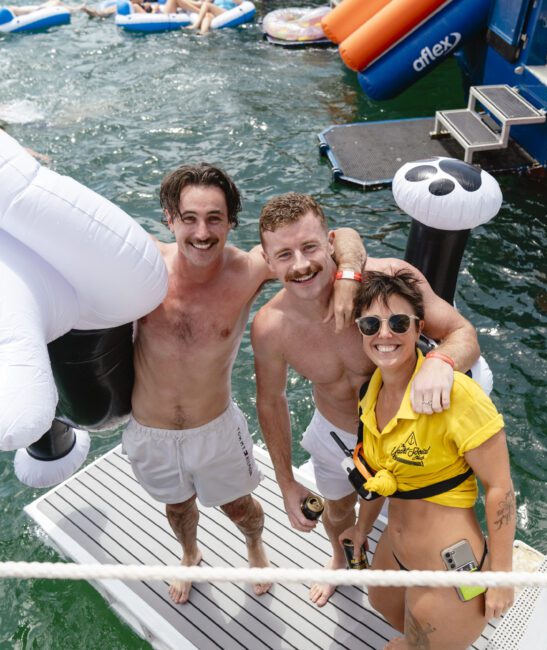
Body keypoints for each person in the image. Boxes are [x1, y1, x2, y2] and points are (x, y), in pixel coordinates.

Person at [122, 165, 364, 604]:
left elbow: (338, 236)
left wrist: (347, 275)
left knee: (240, 508)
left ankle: (255, 550)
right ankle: (190, 555)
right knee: (177, 507)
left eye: (215, 218)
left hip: (214, 427)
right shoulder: (143, 264)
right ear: (168, 218)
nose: (201, 232)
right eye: (189, 218)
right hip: (149, 429)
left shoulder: (250, 269)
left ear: (231, 222)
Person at [251, 193, 480, 606]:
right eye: (284, 254)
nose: (301, 265)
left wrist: (439, 363)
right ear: (269, 263)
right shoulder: (271, 327)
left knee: (426, 516)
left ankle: (447, 579)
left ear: (331, 242)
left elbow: (463, 333)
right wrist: (286, 482)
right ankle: (340, 558)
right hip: (337, 433)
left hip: (407, 433)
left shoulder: (390, 280)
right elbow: (271, 402)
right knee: (337, 511)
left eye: (309, 247)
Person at [339, 270, 515, 650]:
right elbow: (377, 476)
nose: (385, 334)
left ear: (419, 327)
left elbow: (500, 487)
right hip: (395, 551)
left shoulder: (458, 395)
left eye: (398, 322)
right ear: (361, 332)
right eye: (372, 324)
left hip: (449, 569)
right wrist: (361, 528)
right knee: (383, 605)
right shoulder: (370, 392)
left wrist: (501, 575)